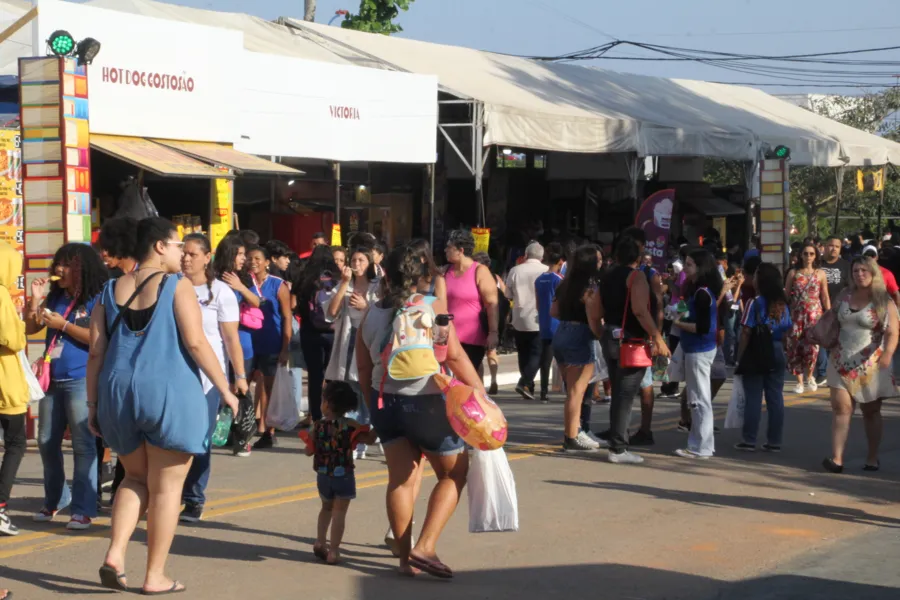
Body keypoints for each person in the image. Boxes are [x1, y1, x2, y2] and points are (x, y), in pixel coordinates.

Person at [87, 217, 239, 594]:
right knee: (168, 488)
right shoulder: (176, 285)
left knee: (134, 477)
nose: (179, 254)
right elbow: (196, 343)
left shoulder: (109, 289)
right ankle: (154, 575)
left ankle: (116, 554)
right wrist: (227, 389)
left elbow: (95, 352)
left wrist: (92, 405)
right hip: (167, 390)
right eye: (175, 246)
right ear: (159, 246)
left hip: (117, 392)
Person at [357, 245, 482, 578]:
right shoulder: (430, 308)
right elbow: (453, 356)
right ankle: (424, 547)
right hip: (425, 402)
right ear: (422, 276)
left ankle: (403, 561)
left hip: (385, 402)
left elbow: (363, 369)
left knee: (400, 479)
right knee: (453, 474)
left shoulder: (371, 314)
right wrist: (480, 393)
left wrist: (373, 412)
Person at [25, 243, 108, 530]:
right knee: (47, 440)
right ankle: (56, 499)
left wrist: (63, 326)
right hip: (52, 378)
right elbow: (31, 328)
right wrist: (35, 301)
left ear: (82, 268)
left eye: (67, 265)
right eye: (58, 264)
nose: (59, 270)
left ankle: (83, 509)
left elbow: (97, 339)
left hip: (80, 378)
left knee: (84, 444)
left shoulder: (98, 297)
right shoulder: (56, 295)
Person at [179, 234, 248, 522]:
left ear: (207, 257)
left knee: (200, 440)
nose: (186, 258)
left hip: (209, 378)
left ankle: (194, 498)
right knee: (172, 439)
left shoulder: (220, 292)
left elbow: (231, 339)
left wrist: (239, 376)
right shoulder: (171, 288)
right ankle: (168, 494)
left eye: (193, 254)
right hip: (175, 373)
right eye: (183, 253)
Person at [596, 235, 670, 464]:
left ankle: (616, 440)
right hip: (630, 339)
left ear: (616, 256)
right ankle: (618, 447)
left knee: (619, 390)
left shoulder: (606, 276)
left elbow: (594, 307)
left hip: (610, 334)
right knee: (625, 395)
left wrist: (600, 332)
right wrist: (657, 336)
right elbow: (639, 310)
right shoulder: (635, 276)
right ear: (637, 258)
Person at [823, 257, 899, 473]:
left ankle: (872, 457)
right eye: (856, 271)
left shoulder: (884, 300)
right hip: (840, 359)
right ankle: (837, 459)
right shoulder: (844, 295)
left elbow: (893, 332)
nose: (859, 274)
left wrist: (888, 354)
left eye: (864, 270)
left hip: (871, 362)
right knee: (841, 408)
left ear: (873, 273)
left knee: (871, 411)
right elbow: (832, 319)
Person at [307, 381, 378, 565]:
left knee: (326, 508)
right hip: (344, 475)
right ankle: (334, 551)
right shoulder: (350, 425)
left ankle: (320, 541)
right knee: (339, 513)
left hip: (323, 475)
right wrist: (378, 423)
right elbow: (369, 439)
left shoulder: (318, 426)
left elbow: (308, 450)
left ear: (328, 403)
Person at [324, 247, 381, 459]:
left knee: (366, 391)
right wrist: (345, 284)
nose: (356, 264)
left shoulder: (378, 286)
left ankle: (367, 437)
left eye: (361, 260)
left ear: (370, 263)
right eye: (354, 260)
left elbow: (385, 313)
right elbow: (331, 312)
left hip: (368, 342)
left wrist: (367, 306)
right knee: (350, 393)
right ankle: (354, 440)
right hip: (347, 341)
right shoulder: (344, 284)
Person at [550, 245, 604, 452]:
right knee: (577, 392)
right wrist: (602, 335)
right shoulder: (590, 288)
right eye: (598, 261)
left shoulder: (564, 285)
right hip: (580, 335)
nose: (601, 264)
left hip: (562, 333)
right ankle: (571, 436)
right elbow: (593, 320)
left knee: (572, 391)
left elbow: (553, 311)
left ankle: (575, 430)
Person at [735, 263, 792, 452]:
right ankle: (775, 440)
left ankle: (749, 439)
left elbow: (746, 331)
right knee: (775, 396)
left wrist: (740, 356)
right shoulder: (782, 303)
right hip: (776, 349)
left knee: (753, 396)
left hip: (756, 350)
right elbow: (786, 330)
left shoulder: (754, 302)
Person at [670, 250, 722, 459]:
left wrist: (678, 323)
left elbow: (702, 326)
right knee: (696, 397)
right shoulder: (694, 289)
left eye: (690, 264)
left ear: (701, 268)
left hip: (699, 349)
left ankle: (702, 447)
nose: (685, 267)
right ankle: (698, 443)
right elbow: (686, 308)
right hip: (694, 348)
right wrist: (677, 311)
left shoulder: (703, 292)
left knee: (699, 399)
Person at [214, 235, 259, 457]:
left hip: (241, 343)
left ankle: (243, 437)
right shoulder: (212, 277)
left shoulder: (245, 278)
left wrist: (240, 286)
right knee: (223, 389)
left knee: (241, 390)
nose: (244, 259)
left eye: (244, 254)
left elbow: (258, 302)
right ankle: (226, 431)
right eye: (240, 254)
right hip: (216, 345)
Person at [246, 245, 292, 449]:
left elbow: (287, 316)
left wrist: (285, 347)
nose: (253, 262)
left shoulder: (278, 285)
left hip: (271, 342)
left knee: (268, 388)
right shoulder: (244, 283)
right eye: (250, 258)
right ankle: (241, 427)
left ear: (267, 262)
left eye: (257, 258)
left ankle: (268, 430)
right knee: (243, 385)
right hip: (247, 341)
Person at [445, 230, 499, 385]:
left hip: (472, 340)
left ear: (461, 250)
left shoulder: (480, 271)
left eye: (449, 247)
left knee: (467, 381)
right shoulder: (445, 272)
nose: (445, 250)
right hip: (449, 338)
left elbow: (491, 304)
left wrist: (493, 332)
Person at [0, 241, 28, 537]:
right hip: (5, 382)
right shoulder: (1, 296)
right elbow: (14, 340)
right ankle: (0, 505)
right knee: (16, 443)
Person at [295, 245, 338, 422]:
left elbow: (297, 305)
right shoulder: (336, 278)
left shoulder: (306, 278)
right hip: (332, 332)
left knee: (314, 376)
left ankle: (315, 416)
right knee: (332, 376)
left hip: (309, 331)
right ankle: (333, 413)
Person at [784, 242, 830, 394]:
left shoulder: (820, 274)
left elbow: (824, 295)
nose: (808, 256)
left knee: (812, 348)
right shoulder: (793, 273)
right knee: (795, 347)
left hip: (814, 315)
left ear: (816, 255)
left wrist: (829, 315)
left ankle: (810, 376)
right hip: (796, 314)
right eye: (805, 253)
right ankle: (799, 382)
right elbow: (786, 295)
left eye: (811, 253)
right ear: (800, 255)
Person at [505, 241, 548, 400]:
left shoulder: (515, 270)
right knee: (538, 353)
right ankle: (524, 382)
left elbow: (508, 295)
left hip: (519, 317)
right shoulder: (546, 271)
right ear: (542, 257)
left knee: (523, 353)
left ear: (526, 255)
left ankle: (527, 385)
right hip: (539, 317)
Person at [817, 236, 850, 386]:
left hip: (840, 309)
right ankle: (822, 372)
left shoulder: (845, 266)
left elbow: (851, 287)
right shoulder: (817, 264)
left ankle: (835, 371)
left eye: (837, 246)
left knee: (837, 342)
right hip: (818, 309)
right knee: (820, 340)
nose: (833, 249)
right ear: (824, 246)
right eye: (830, 245)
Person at [535, 242, 565, 403]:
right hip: (559, 323)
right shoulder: (559, 279)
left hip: (544, 323)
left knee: (545, 360)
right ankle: (569, 389)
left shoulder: (539, 279)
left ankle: (544, 392)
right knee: (565, 359)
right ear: (560, 261)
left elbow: (538, 304)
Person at [410, 239, 446, 304]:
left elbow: (442, 307)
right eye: (408, 258)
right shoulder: (408, 277)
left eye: (413, 258)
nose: (410, 262)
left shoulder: (437, 279)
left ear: (424, 259)